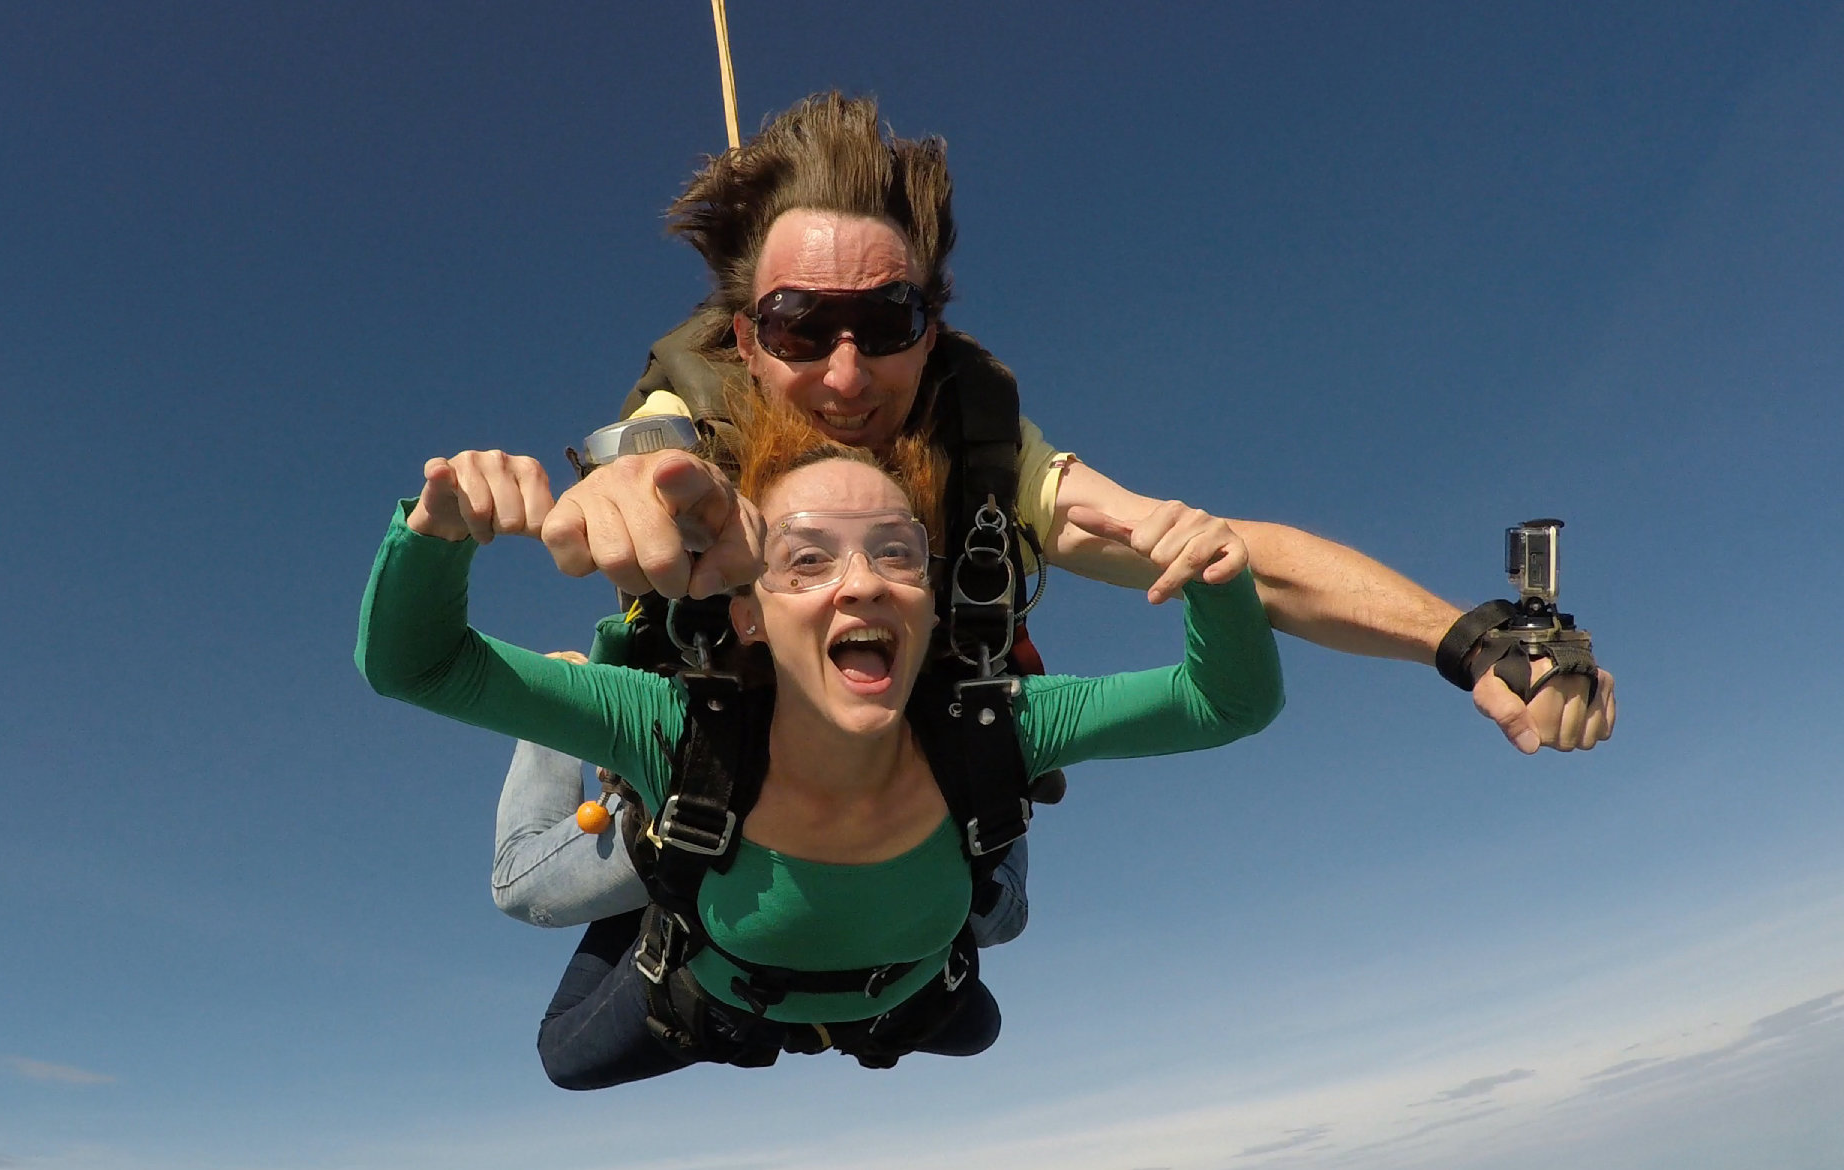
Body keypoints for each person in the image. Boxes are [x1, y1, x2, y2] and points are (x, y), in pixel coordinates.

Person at [486, 91, 1614, 937]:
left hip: (907, 782)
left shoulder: (988, 463)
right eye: (798, 326)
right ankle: (576, 742)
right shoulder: (695, 423)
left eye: (886, 322)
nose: (845, 375)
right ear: (744, 338)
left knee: (994, 910)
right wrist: (630, 488)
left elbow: (1226, 558)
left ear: (931, 329)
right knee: (536, 891)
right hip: (714, 768)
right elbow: (646, 468)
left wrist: (1467, 640)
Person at [356, 393, 1284, 1088]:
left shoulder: (996, 719)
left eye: (897, 552)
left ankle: (906, 878)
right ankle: (649, 846)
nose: (863, 583)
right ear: (749, 615)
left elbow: (1225, 704)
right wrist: (437, 532)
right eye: (806, 559)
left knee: (981, 965)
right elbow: (417, 666)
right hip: (719, 997)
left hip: (901, 994)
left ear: (930, 601)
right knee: (564, 1054)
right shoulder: (666, 722)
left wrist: (1214, 577)